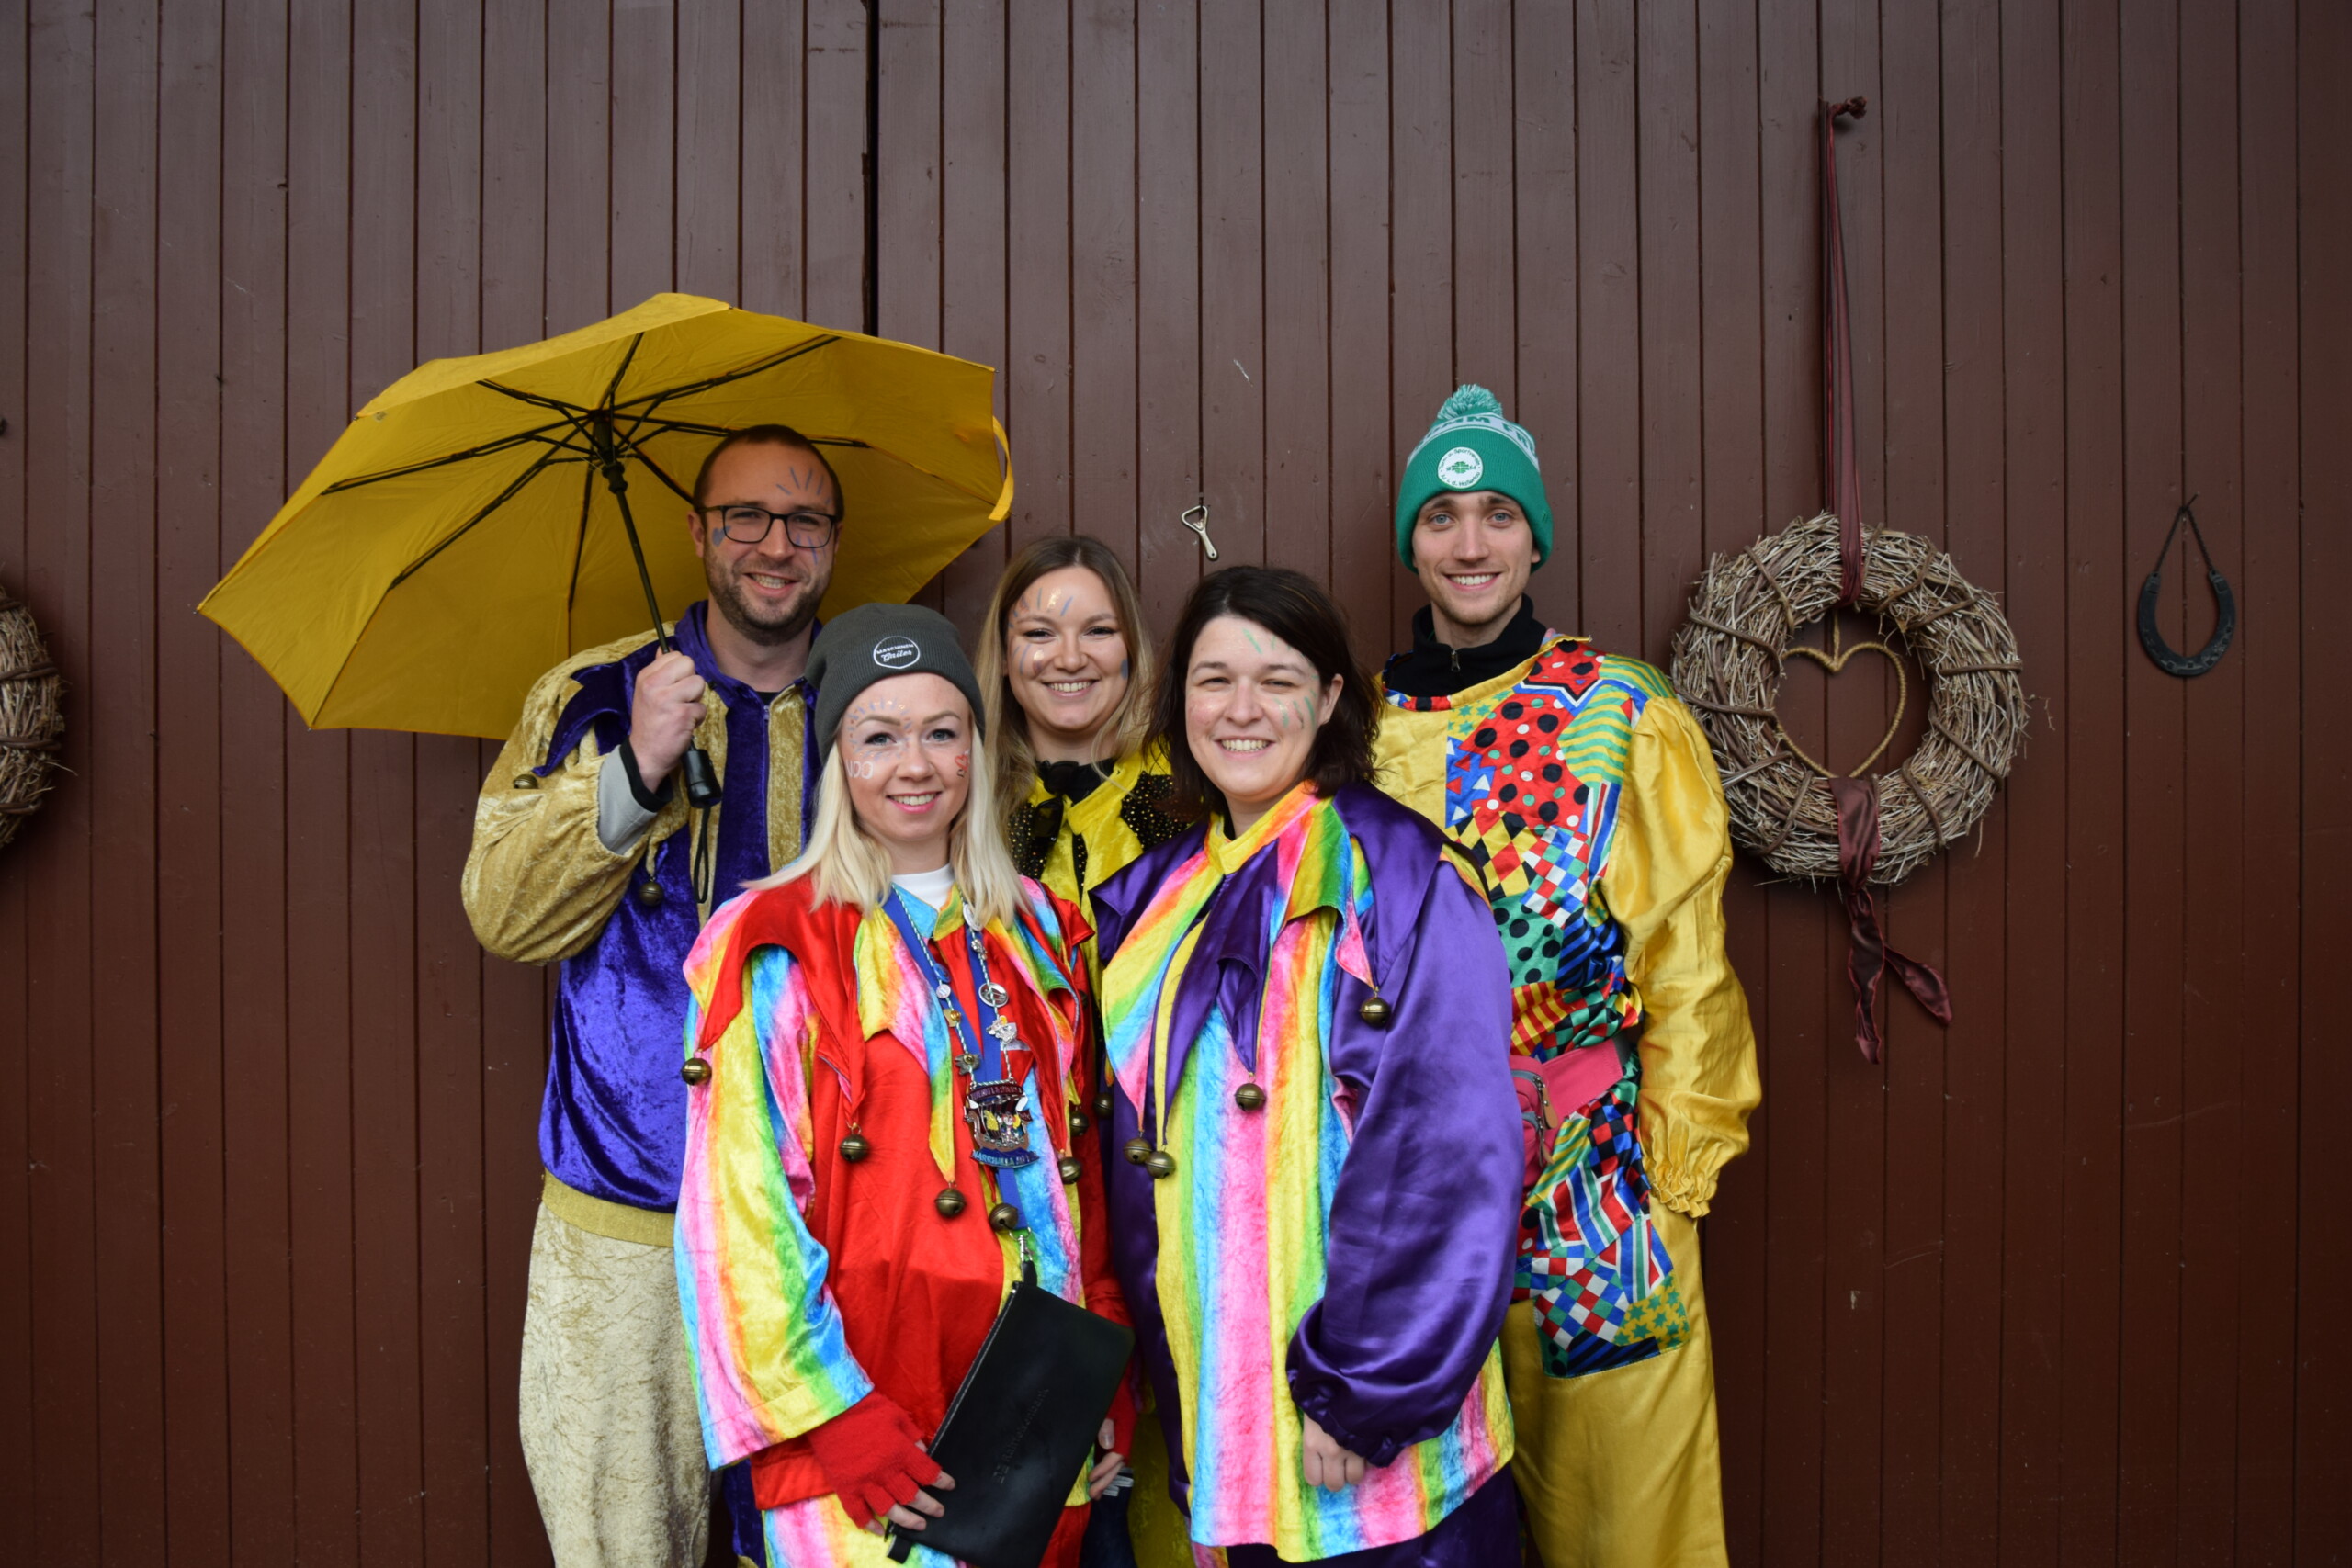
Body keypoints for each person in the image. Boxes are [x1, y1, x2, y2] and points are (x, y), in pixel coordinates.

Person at [1371, 386, 1761, 1566]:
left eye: (1498, 514)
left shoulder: (1617, 711)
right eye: (1441, 517)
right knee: (1420, 1511)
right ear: (1412, 544)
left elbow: (1684, 957)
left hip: (1593, 1180)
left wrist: (1674, 1163)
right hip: (1410, 1186)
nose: (1470, 542)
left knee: (1623, 1514)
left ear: (1534, 539)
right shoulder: (1359, 732)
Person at [672, 603, 1132, 1567]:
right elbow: (737, 1211)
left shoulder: (1042, 930)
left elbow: (1079, 1166)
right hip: (866, 1428)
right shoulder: (774, 944)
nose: (914, 765)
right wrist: (834, 1415)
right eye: (879, 737)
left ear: (976, 749)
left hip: (1029, 1421)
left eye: (941, 732)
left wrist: (1097, 1361)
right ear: (837, 758)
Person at [462, 423, 844, 1567]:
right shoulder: (593, 696)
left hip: (832, 1224)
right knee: (623, 1546)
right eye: (745, 517)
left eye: (804, 521)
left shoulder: (876, 698)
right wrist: (636, 766)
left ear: (832, 543)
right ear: (696, 531)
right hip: (628, 1221)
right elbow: (505, 915)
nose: (774, 545)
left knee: (839, 1539)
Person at [1088, 566, 1523, 1567]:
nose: (1241, 710)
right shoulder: (1149, 899)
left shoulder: (1402, 880)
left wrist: (1364, 1390)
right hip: (1222, 1410)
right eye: (1213, 680)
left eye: (1276, 680)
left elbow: (1445, 1155)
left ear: (1329, 698)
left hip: (1366, 1420)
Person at [973, 536, 1190, 1568]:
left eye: (1097, 629)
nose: (1069, 656)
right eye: (1040, 631)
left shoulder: (1185, 789)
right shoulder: (963, 798)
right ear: (1004, 655)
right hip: (1024, 1160)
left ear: (1133, 649)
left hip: (1161, 1148)